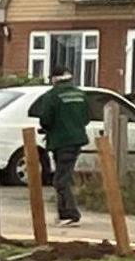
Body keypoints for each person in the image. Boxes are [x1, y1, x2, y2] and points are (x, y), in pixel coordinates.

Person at [32, 67, 91, 224]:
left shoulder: (52, 96)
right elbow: (86, 118)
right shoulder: (81, 94)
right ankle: (64, 213)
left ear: (54, 79)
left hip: (61, 141)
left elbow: (45, 119)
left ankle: (69, 214)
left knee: (61, 179)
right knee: (64, 175)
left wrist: (51, 128)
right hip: (77, 140)